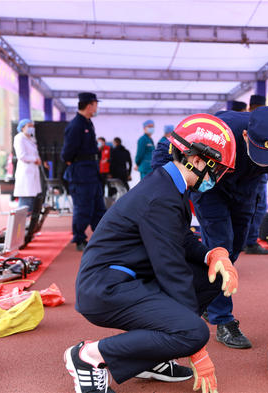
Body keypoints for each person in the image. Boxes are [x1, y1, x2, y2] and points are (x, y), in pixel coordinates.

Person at [64, 114, 238, 393]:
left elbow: (180, 238)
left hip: (126, 279)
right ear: (196, 160)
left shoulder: (170, 184)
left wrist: (212, 256)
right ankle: (89, 356)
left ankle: (149, 359)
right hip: (105, 288)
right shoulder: (162, 197)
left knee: (211, 278)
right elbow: (171, 271)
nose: (218, 177)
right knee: (194, 331)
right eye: (216, 168)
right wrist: (196, 347)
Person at [151, 106, 268, 350]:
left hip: (247, 188)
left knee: (234, 249)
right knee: (220, 247)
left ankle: (204, 296)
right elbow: (167, 146)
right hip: (211, 187)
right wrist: (161, 191)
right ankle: (223, 321)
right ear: (246, 136)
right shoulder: (220, 129)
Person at [61, 92, 106, 251]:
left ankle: (102, 237)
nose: (96, 107)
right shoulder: (76, 125)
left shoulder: (88, 123)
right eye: (95, 104)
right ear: (89, 105)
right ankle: (79, 238)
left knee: (99, 207)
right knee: (83, 207)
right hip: (81, 174)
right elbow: (66, 154)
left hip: (92, 172)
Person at [243, 94, 268, 255]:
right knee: (257, 207)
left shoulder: (247, 120)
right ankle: (251, 241)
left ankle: (244, 240)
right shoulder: (261, 121)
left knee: (246, 208)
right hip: (257, 171)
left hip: (248, 172)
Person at [13, 119, 43, 214]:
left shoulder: (32, 139)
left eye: (32, 126)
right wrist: (34, 159)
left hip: (33, 170)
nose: (31, 128)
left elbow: (35, 153)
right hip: (25, 171)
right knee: (26, 198)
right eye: (29, 126)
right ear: (22, 127)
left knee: (32, 198)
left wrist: (38, 159)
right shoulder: (19, 138)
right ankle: (21, 222)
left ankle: (29, 223)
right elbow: (21, 155)